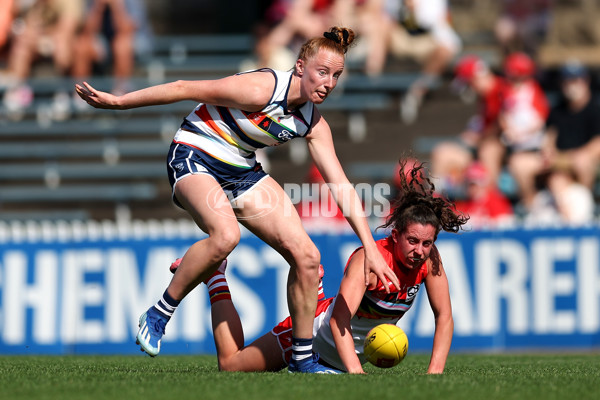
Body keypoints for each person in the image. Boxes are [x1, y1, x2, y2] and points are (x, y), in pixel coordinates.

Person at [75, 26, 400, 373]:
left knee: (308, 258)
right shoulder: (261, 89)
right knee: (226, 235)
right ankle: (159, 312)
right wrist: (119, 102)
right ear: (301, 66)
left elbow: (341, 185)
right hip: (194, 154)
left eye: (336, 76)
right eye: (323, 72)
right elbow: (184, 88)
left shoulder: (311, 122)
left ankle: (303, 359)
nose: (329, 83)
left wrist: (370, 250)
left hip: (241, 172)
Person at [170, 160, 468, 374]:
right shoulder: (369, 259)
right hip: (311, 338)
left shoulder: (430, 260)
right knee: (231, 365)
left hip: (338, 357)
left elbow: (444, 317)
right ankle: (215, 278)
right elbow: (339, 320)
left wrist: (435, 375)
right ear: (395, 235)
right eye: (412, 241)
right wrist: (355, 373)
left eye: (426, 244)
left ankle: (315, 286)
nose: (419, 251)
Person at [430, 54, 507, 197]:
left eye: (469, 84)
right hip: (481, 146)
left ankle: (491, 203)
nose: (470, 89)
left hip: (505, 148)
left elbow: (504, 127)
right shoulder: (484, 98)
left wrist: (479, 137)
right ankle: (435, 202)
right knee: (442, 152)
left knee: (489, 149)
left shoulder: (503, 90)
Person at [543, 60, 600, 191]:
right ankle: (532, 205)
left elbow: (597, 144)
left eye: (575, 80)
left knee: (582, 162)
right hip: (561, 161)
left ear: (586, 81)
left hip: (587, 161)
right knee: (556, 179)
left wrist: (571, 157)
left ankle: (588, 204)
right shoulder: (557, 110)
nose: (571, 85)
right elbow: (550, 136)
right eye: (567, 81)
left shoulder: (596, 109)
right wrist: (548, 151)